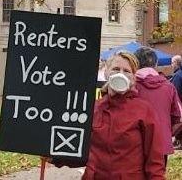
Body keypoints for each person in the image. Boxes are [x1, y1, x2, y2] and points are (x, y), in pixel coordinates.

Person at [48, 51, 166, 180]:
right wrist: (56, 158)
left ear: (133, 77)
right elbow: (82, 154)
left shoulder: (144, 111)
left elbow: (154, 160)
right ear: (106, 73)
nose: (121, 74)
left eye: (126, 71)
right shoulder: (93, 109)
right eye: (116, 69)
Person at [134, 47, 181, 168]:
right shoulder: (168, 86)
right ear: (155, 64)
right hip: (161, 145)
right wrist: (166, 133)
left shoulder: (130, 86)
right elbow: (178, 117)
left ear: (135, 63)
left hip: (134, 145)